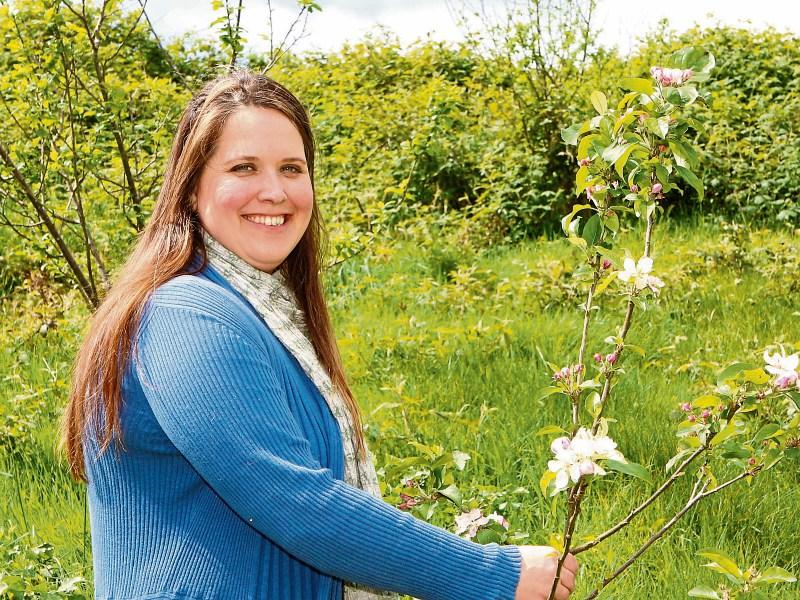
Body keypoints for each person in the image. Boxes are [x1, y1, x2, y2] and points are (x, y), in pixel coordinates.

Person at [60, 69, 578, 600]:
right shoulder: (186, 317)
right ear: (191, 188)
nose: (275, 191)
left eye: (292, 168)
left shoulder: (262, 310)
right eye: (244, 167)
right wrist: (491, 574)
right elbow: (294, 500)